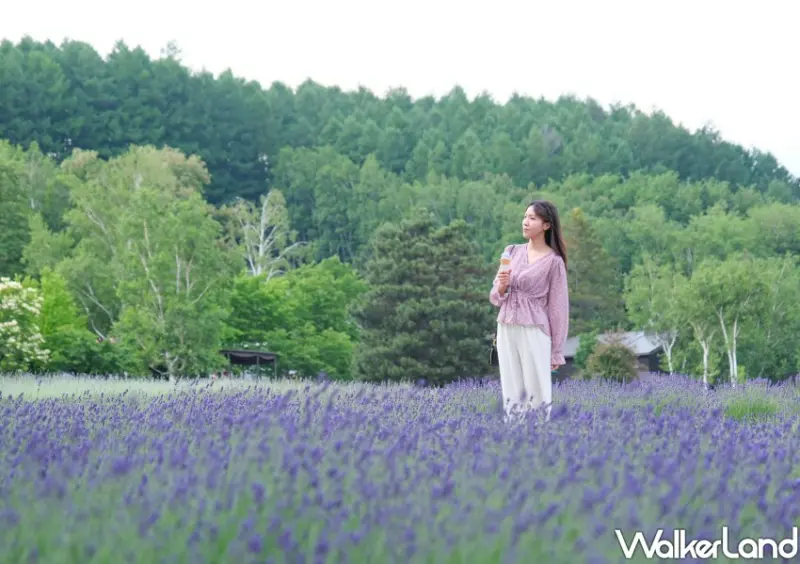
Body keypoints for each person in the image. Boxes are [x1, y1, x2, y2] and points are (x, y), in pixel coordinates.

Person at [489, 200, 569, 422]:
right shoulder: (511, 251)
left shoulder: (554, 262)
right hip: (506, 327)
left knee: (536, 389)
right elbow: (495, 297)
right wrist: (502, 286)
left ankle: (539, 436)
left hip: (534, 329)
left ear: (546, 225)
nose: (525, 222)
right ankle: (515, 438)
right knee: (511, 388)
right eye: (525, 217)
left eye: (532, 218)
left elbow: (558, 308)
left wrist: (556, 350)